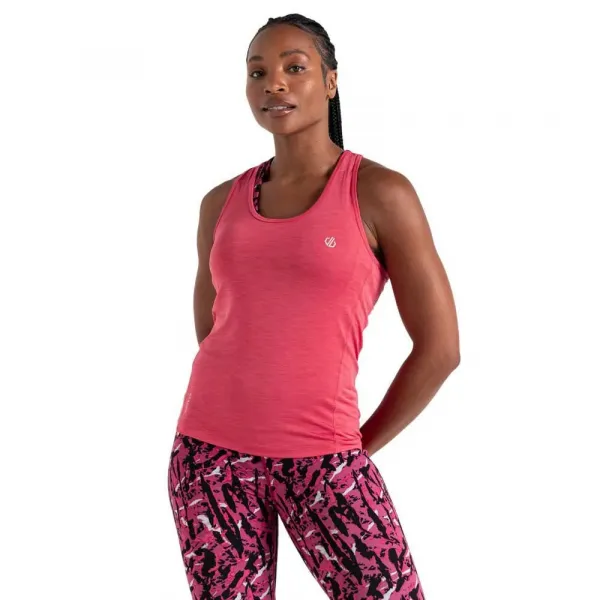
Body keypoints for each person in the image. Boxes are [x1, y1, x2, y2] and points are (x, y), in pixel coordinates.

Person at [167, 13, 460, 600]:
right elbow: (216, 329)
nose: (273, 83)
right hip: (208, 457)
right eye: (257, 72)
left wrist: (357, 449)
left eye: (294, 67)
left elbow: (441, 349)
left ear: (330, 81)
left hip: (326, 460)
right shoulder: (219, 203)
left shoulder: (380, 192)